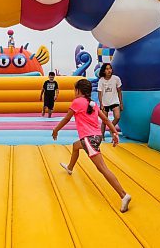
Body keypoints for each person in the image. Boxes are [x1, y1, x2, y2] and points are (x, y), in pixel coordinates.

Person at [52, 79, 132, 213]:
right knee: (76, 146)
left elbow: (67, 118)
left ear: (78, 91)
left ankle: (123, 195)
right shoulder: (93, 103)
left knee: (102, 168)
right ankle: (70, 167)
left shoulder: (77, 102)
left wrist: (56, 130)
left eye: (74, 90)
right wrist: (114, 132)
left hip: (89, 139)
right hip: (96, 137)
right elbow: (105, 119)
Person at [97, 63, 123, 139]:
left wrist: (121, 103)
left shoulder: (116, 79)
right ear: (104, 71)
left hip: (114, 101)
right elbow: (100, 93)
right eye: (107, 69)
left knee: (117, 117)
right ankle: (102, 136)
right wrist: (101, 104)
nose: (109, 70)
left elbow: (119, 91)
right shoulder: (101, 80)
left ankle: (111, 128)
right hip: (105, 103)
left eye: (110, 69)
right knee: (104, 121)